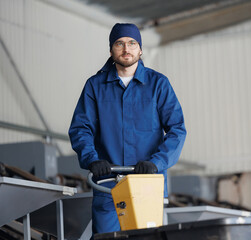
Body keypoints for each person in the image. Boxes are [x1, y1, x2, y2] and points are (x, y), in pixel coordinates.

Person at [68, 23, 186, 234]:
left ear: (140, 50)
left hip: (148, 184)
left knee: (147, 238)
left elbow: (177, 130)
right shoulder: (95, 86)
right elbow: (80, 129)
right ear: (111, 50)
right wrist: (92, 160)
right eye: (119, 43)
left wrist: (156, 163)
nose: (126, 49)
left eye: (132, 43)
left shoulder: (158, 84)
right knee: (107, 238)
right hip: (108, 185)